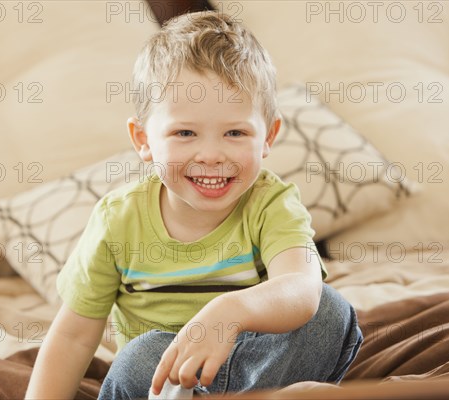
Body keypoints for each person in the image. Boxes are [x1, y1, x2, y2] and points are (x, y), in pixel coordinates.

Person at [25, 10, 362, 400]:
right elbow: (72, 337)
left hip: (251, 367)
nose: (212, 154)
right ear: (143, 140)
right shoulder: (119, 220)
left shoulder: (272, 203)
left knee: (329, 311)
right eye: (185, 133)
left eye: (235, 132)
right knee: (140, 355)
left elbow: (301, 288)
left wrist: (229, 313)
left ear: (268, 136)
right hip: (162, 381)